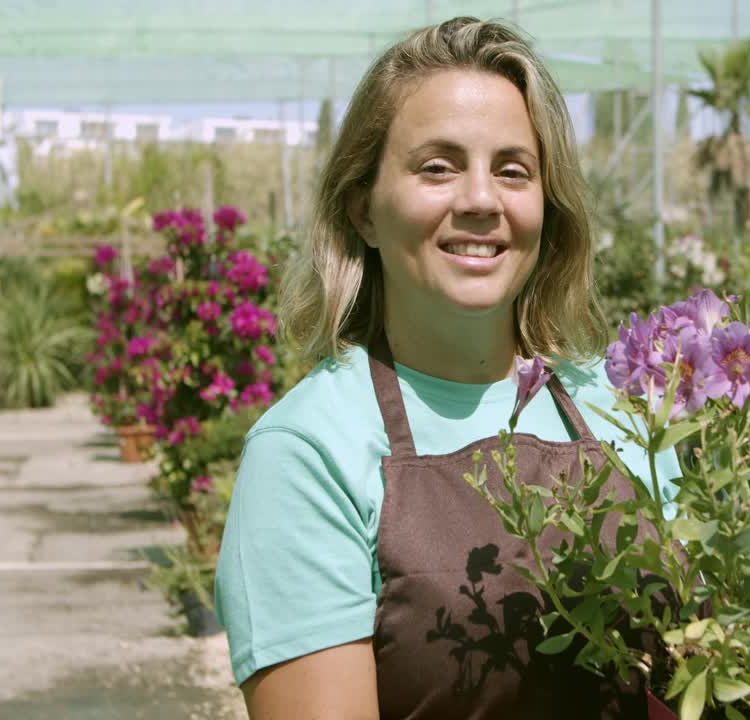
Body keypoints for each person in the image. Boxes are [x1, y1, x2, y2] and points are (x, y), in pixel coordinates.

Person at [215, 16, 679, 719]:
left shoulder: (626, 412)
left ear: (548, 209)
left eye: (513, 170)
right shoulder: (309, 452)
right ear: (362, 211)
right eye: (437, 166)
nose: (481, 200)